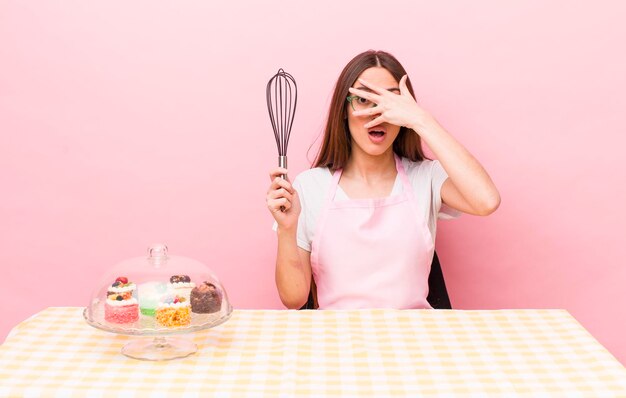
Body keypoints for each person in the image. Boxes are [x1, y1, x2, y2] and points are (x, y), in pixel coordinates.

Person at [266, 50, 500, 310]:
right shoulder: (309, 187)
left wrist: (421, 120)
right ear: (343, 110)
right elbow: (293, 298)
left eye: (391, 101)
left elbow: (486, 201)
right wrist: (287, 231)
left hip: (415, 341)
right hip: (337, 343)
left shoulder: (426, 176)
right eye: (364, 100)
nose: (378, 113)